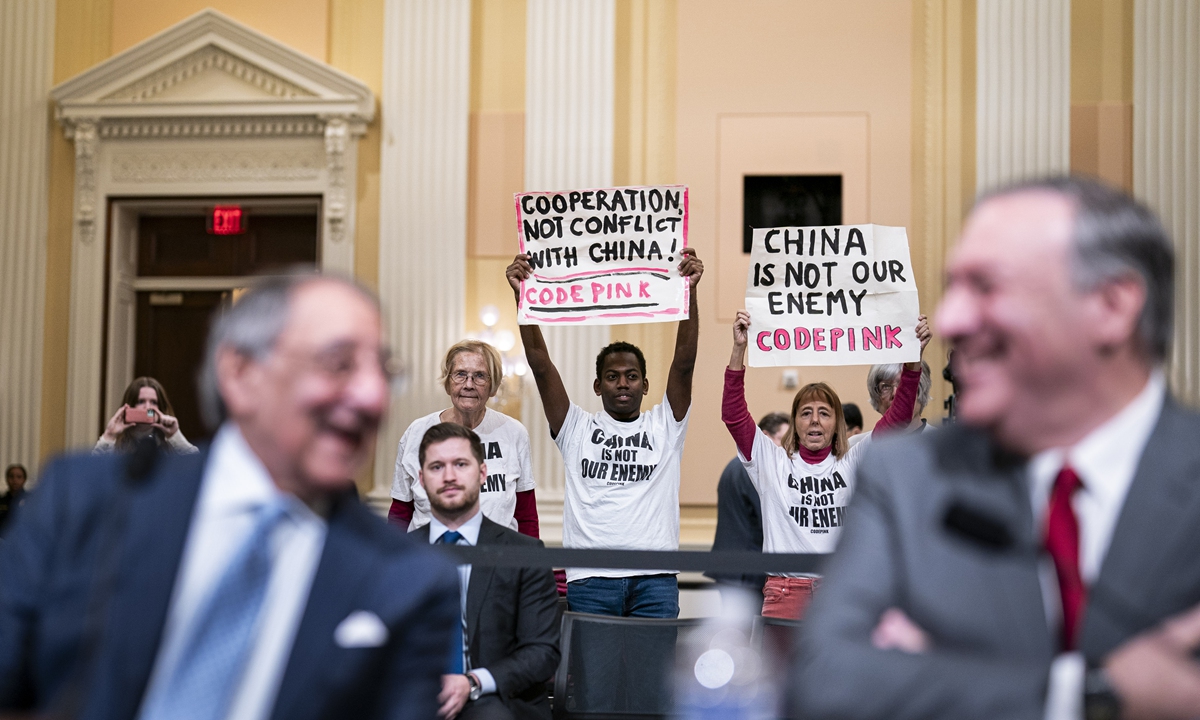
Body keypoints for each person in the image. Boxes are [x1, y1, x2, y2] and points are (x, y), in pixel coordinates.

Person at [796, 177, 1200, 720]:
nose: (951, 320)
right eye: (953, 288)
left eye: (986, 287)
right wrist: (1089, 694)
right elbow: (828, 683)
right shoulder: (908, 478)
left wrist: (934, 676)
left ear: (1111, 305)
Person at [0, 272, 459, 720]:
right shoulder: (82, 503)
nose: (372, 396)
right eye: (338, 364)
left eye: (383, 372)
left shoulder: (407, 580)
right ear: (240, 373)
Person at [505, 248, 703, 618]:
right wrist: (523, 298)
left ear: (646, 385)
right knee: (592, 661)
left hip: (654, 579)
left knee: (653, 660)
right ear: (598, 386)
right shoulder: (576, 428)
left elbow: (684, 363)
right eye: (612, 377)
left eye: (632, 376)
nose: (623, 383)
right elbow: (542, 368)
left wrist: (690, 291)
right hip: (591, 579)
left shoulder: (665, 425)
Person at [722, 310, 931, 619]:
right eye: (806, 412)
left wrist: (913, 358)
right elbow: (734, 414)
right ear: (795, 422)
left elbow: (898, 418)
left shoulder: (855, 459)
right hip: (784, 593)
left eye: (824, 413)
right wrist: (739, 349)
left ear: (837, 424)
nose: (815, 421)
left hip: (840, 591)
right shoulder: (771, 462)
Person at [413, 422, 559, 720]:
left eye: (460, 464)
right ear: (421, 479)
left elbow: (542, 651)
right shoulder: (399, 556)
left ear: (482, 473)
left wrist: (472, 682)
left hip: (497, 699)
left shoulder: (524, 553)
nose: (449, 476)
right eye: (437, 467)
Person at [389, 341, 539, 537]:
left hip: (498, 553)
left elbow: (526, 516)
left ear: (493, 387)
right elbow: (401, 512)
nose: (469, 385)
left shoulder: (514, 432)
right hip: (430, 551)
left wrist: (529, 556)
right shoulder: (416, 432)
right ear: (448, 383)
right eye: (460, 374)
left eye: (480, 376)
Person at [707, 412, 789, 606]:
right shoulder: (755, 472)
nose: (788, 449)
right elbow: (768, 520)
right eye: (784, 440)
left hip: (730, 569)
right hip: (748, 573)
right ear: (765, 436)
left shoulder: (733, 466)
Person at [95, 377, 199, 454]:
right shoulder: (116, 443)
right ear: (130, 405)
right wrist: (109, 435)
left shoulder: (168, 442)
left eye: (154, 402)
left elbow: (196, 464)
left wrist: (174, 435)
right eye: (141, 401)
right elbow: (95, 468)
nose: (148, 407)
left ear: (160, 408)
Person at [847, 360, 935, 448]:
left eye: (903, 386)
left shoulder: (940, 445)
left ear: (922, 390)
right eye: (885, 386)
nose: (895, 393)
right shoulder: (855, 446)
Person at [0, 464, 28, 533]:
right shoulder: (1, 501)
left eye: (19, 477)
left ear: (24, 479)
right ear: (6, 479)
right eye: (11, 476)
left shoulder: (31, 501)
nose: (15, 480)